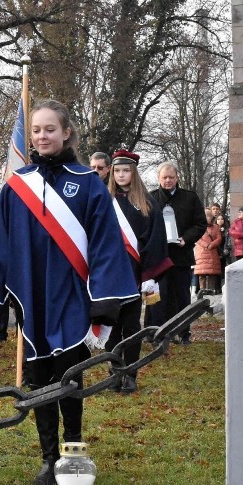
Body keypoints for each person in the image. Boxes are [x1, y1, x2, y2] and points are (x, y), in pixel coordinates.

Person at [0, 100, 137, 485]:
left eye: (50, 129)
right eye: (37, 130)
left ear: (66, 133)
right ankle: (47, 456)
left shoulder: (89, 183)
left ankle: (73, 450)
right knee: (40, 378)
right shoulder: (17, 186)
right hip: (32, 296)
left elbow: (106, 243)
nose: (42, 136)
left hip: (74, 295)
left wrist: (104, 298)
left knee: (69, 375)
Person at [104, 149, 171, 393]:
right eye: (117, 171)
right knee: (111, 325)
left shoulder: (147, 203)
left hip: (135, 270)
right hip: (109, 271)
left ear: (134, 173)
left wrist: (150, 275)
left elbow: (155, 240)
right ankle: (113, 373)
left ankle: (130, 374)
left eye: (126, 171)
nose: (121, 175)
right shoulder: (104, 199)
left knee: (131, 325)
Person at [146, 162, 207, 345]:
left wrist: (186, 239)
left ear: (177, 177)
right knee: (156, 296)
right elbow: (144, 226)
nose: (168, 181)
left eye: (171, 177)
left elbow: (200, 224)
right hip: (158, 258)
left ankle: (183, 333)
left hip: (180, 256)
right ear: (158, 179)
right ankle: (154, 332)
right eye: (164, 177)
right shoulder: (150, 199)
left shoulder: (190, 198)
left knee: (182, 296)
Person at [194, 210, 222, 293]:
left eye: (209, 216)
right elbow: (197, 238)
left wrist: (212, 244)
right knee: (201, 274)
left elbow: (219, 238)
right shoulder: (198, 226)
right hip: (202, 253)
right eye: (206, 216)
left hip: (212, 253)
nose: (208, 218)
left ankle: (211, 290)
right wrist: (206, 245)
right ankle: (202, 290)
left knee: (212, 273)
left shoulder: (216, 227)